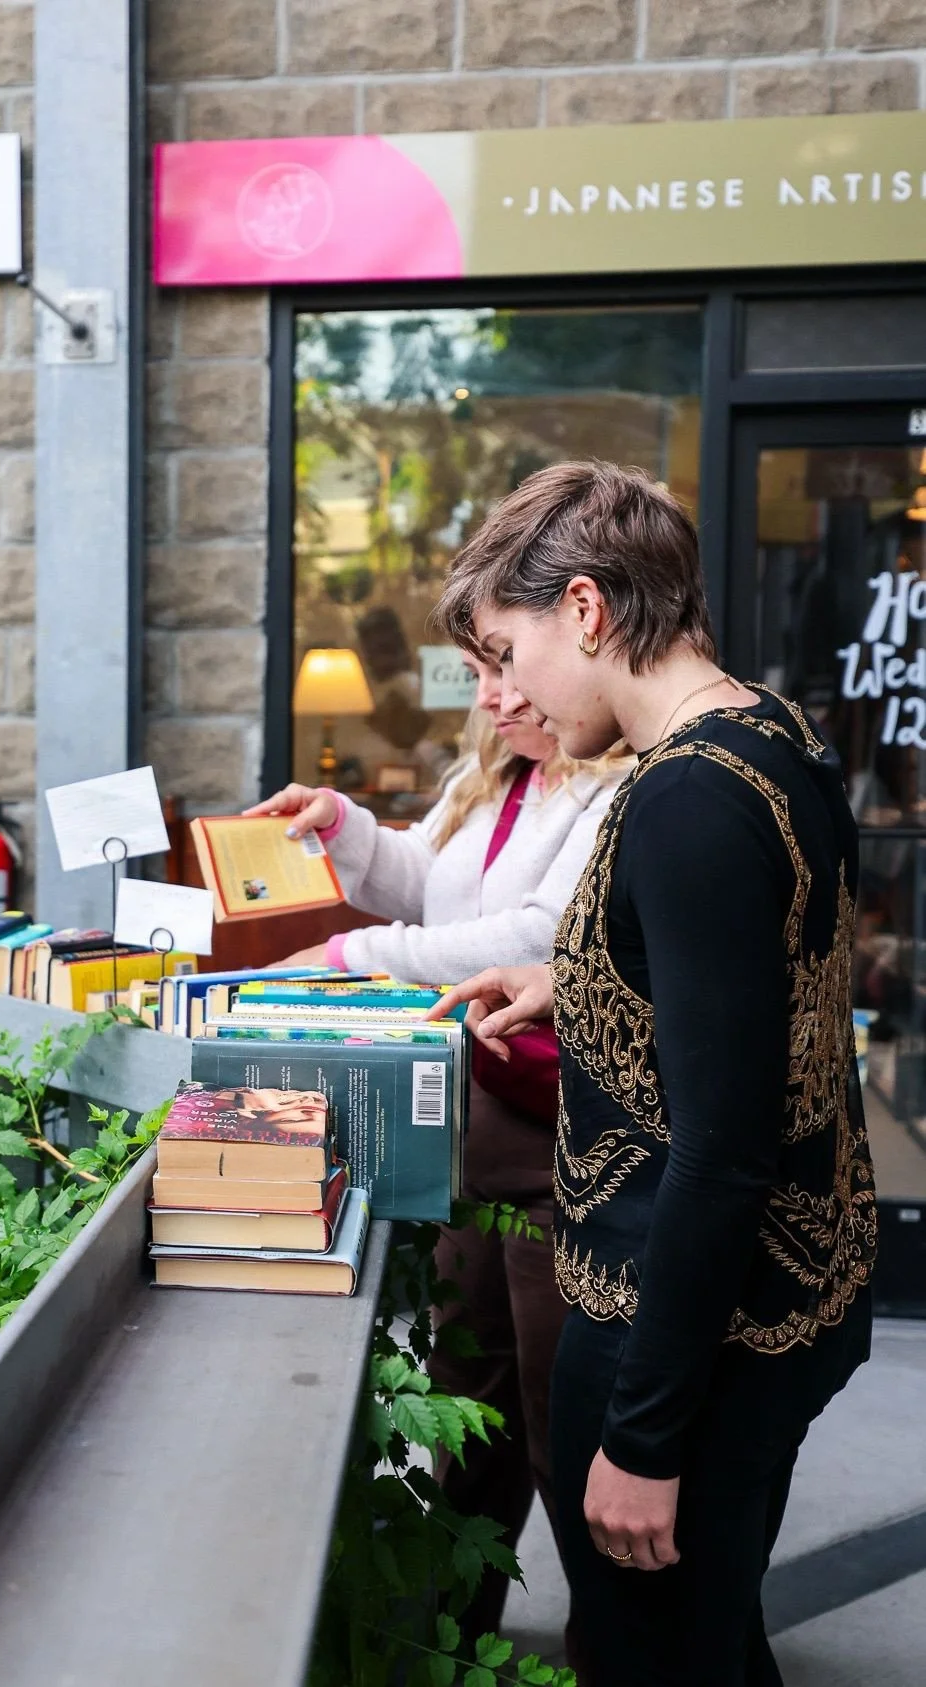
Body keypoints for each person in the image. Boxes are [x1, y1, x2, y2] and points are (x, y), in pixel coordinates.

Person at [429, 461, 877, 1687]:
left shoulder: (684, 798)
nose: (502, 691)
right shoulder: (769, 732)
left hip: (682, 1336)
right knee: (713, 1633)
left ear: (583, 609)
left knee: (656, 1657)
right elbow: (745, 997)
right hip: (779, 1298)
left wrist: (641, 1436)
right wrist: (576, 985)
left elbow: (720, 1150)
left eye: (506, 651)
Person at [247, 658, 626, 1650]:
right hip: (482, 1114)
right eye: (477, 673)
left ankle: (622, 1648)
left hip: (568, 1134)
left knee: (560, 1420)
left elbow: (541, 932)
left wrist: (352, 957)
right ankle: (450, 1636)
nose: (495, 696)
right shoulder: (500, 774)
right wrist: (343, 826)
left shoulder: (621, 784)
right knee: (467, 1396)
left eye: (508, 666)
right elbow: (431, 881)